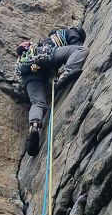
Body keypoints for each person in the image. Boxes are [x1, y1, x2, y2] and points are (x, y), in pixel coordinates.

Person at [14, 26, 87, 155]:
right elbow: (76, 45)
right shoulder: (70, 32)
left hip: (26, 69)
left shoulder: (47, 40)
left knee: (38, 103)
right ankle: (66, 74)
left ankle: (34, 125)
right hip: (43, 57)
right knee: (81, 50)